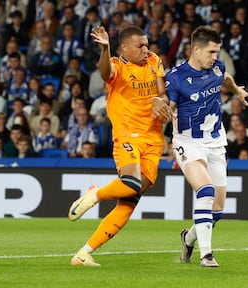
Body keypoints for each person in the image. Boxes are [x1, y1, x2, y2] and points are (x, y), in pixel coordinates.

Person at [67, 25, 174, 267]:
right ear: (124, 48)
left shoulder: (154, 60)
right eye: (141, 46)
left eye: (147, 44)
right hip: (128, 134)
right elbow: (106, 72)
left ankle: (84, 253)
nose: (146, 49)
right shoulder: (117, 65)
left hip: (154, 139)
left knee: (130, 199)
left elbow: (163, 93)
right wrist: (104, 49)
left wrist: (161, 101)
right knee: (130, 182)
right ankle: (95, 194)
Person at [165, 26, 248, 267]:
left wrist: (237, 91)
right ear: (196, 49)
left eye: (218, 52)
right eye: (212, 52)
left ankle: (188, 238)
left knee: (217, 211)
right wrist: (163, 112)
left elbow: (225, 78)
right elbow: (168, 105)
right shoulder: (176, 77)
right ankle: (207, 255)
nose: (216, 57)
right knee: (205, 191)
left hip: (215, 142)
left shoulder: (216, 67)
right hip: (188, 143)